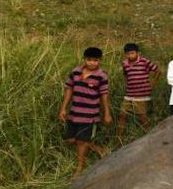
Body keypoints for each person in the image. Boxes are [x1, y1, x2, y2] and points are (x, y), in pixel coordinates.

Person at [58, 47, 111, 177]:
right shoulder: (76, 72)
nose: (92, 63)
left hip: (89, 115)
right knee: (70, 139)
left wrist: (107, 113)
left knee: (81, 142)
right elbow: (69, 89)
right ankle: (94, 146)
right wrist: (63, 108)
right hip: (74, 112)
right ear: (84, 59)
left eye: (95, 60)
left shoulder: (101, 76)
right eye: (89, 60)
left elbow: (104, 95)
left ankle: (80, 167)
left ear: (100, 61)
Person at [117, 43, 161, 138]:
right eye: (128, 54)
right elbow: (125, 74)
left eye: (132, 53)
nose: (130, 55)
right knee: (122, 114)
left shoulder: (144, 61)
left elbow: (158, 70)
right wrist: (126, 84)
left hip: (141, 94)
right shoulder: (125, 63)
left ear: (137, 53)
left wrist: (153, 83)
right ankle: (119, 137)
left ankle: (151, 135)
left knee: (142, 117)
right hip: (129, 94)